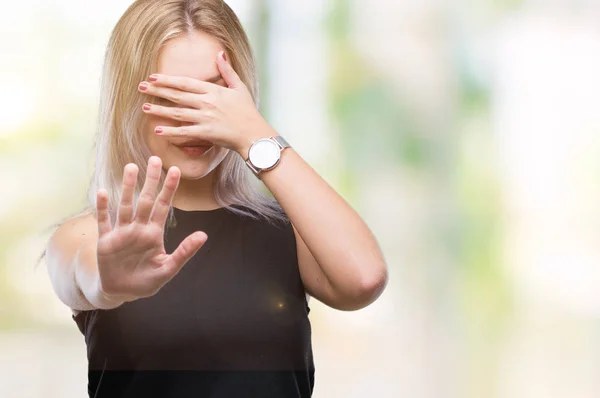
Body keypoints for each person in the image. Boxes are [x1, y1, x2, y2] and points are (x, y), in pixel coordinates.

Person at [43, 0, 388, 397]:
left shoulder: (287, 231)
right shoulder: (87, 237)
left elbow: (363, 280)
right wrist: (108, 282)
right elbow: (85, 278)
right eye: (172, 96)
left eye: (214, 95)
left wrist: (254, 135)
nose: (194, 120)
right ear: (129, 100)